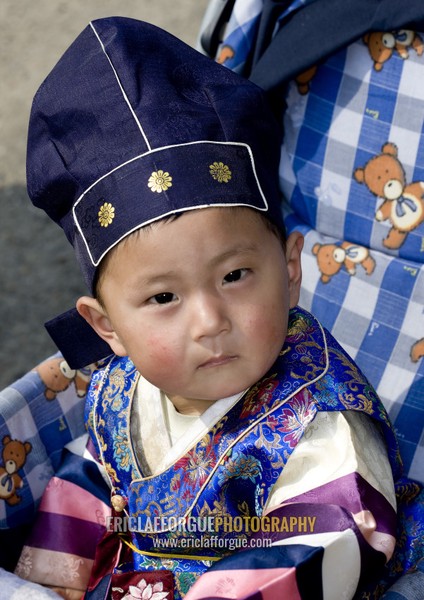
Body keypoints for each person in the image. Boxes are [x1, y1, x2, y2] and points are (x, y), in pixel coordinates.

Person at [20, 16, 405, 600]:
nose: (209, 321)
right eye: (163, 297)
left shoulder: (319, 432)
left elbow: (324, 547)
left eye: (234, 275)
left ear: (292, 268)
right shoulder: (122, 390)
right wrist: (51, 580)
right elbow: (93, 480)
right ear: (107, 327)